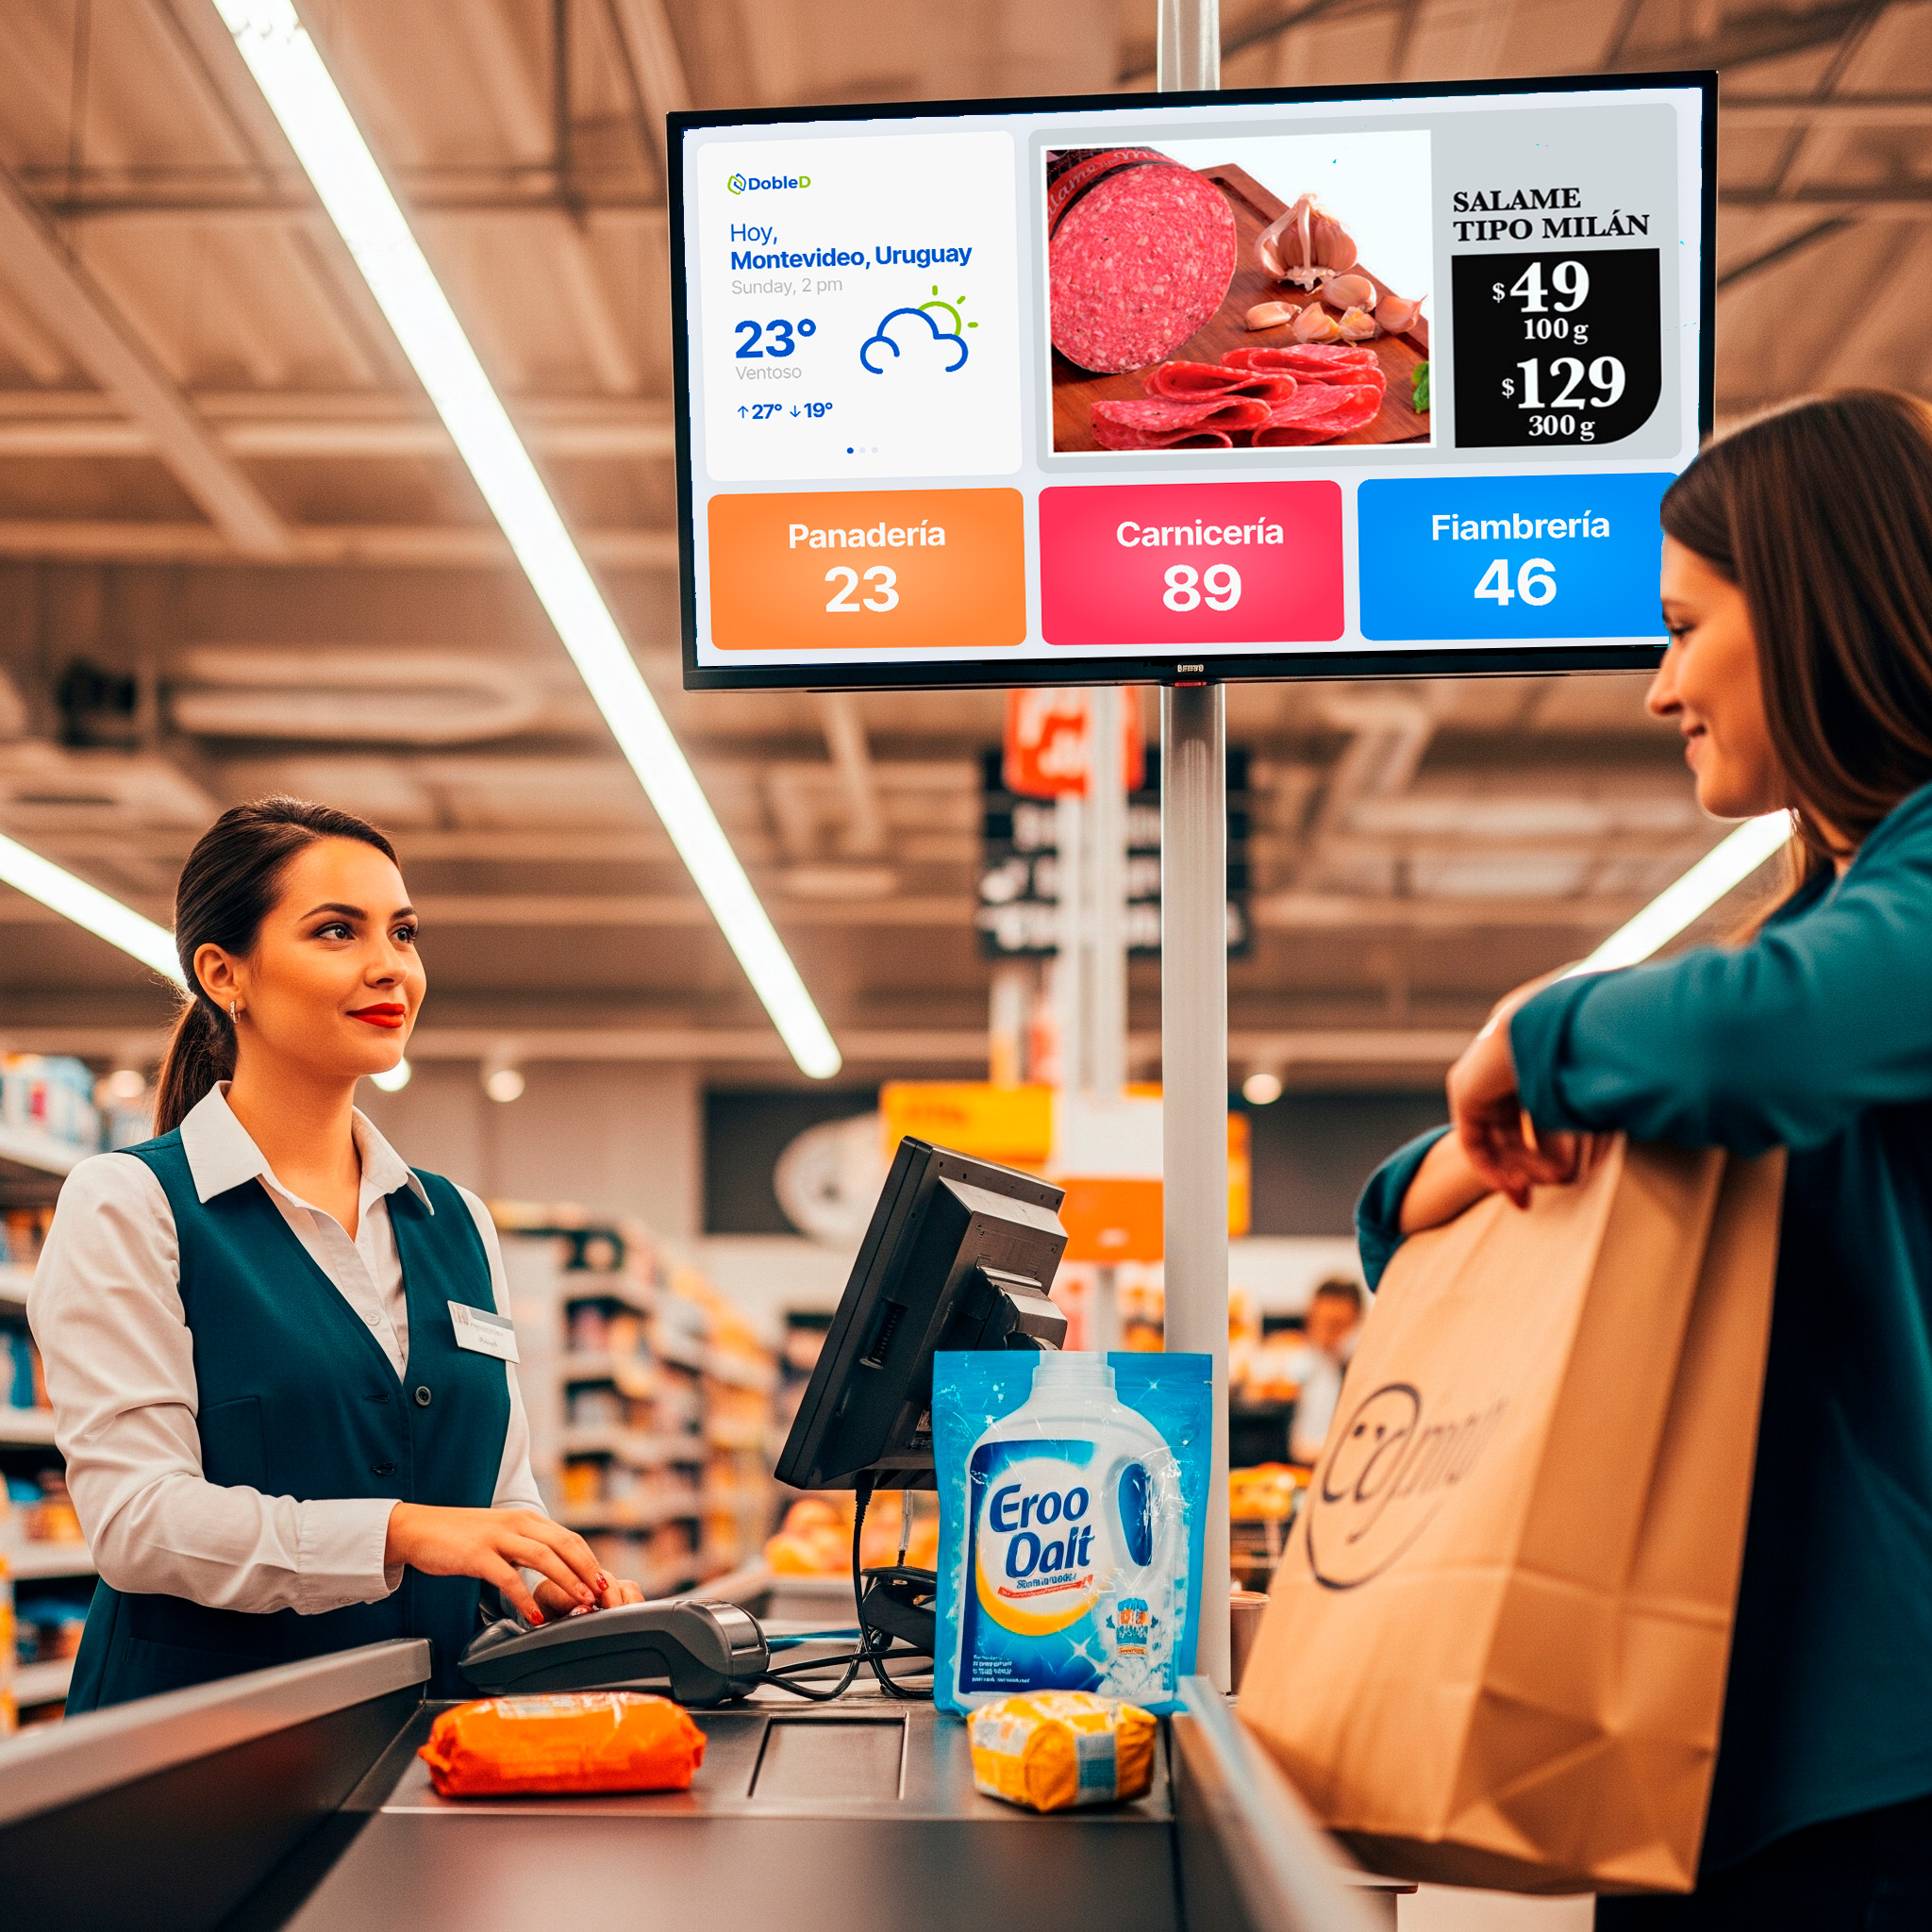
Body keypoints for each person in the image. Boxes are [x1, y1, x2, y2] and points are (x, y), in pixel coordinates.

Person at [1356, 391, 1932, 1925]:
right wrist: (1434, 1175)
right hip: (1728, 1746)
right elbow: (1433, 1208)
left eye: (1681, 629)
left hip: (1879, 1773)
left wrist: (1529, 1031)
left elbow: (1767, 1037)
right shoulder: (1828, 911)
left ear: (1812, 609)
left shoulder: (1869, 930)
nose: (1657, 687)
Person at [30, 798, 644, 1712]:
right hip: (201, 1751)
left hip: (431, 1740)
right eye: (336, 931)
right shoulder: (130, 1202)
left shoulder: (455, 1220)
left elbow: (500, 1495)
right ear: (224, 972)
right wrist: (400, 1532)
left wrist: (540, 1577)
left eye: (403, 932)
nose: (389, 965)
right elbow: (139, 1521)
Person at [1282, 1277, 1364, 1466]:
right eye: (1319, 1323)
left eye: (1336, 1325)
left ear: (1357, 1323)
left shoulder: (1364, 1372)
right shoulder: (1298, 1366)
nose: (1325, 1335)